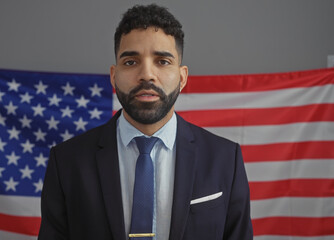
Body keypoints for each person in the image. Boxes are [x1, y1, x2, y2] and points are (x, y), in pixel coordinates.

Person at [38, 4, 253, 240]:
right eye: (131, 62)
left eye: (162, 61)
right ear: (114, 76)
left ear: (182, 78)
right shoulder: (67, 161)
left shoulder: (225, 159)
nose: (147, 74)